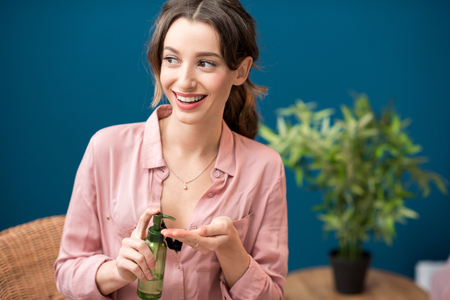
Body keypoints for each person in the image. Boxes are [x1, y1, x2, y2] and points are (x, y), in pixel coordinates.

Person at [54, 0, 288, 299]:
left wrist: (232, 251)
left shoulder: (265, 167)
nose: (185, 81)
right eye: (172, 59)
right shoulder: (106, 149)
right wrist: (117, 271)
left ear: (241, 71)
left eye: (206, 63)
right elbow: (66, 273)